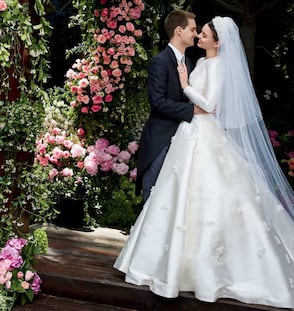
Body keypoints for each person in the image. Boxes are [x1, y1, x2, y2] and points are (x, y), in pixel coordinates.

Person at [115, 16, 294, 308]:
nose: (199, 35)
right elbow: (173, 103)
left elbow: (208, 105)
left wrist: (186, 86)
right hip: (188, 133)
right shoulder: (195, 62)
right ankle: (168, 263)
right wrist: (190, 97)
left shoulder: (220, 66)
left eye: (204, 33)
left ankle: (213, 268)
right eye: (197, 30)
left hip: (203, 132)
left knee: (209, 195)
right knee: (177, 195)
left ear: (218, 41)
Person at [136, 9, 206, 203]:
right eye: (192, 29)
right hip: (161, 139)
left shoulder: (191, 63)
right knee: (152, 195)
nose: (196, 34)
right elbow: (157, 102)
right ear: (179, 31)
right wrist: (192, 110)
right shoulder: (160, 61)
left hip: (185, 139)